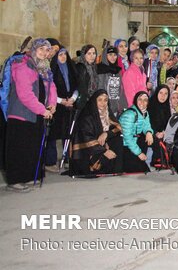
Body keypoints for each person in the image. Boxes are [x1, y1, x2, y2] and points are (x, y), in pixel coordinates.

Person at [5, 39, 57, 192]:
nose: (44, 53)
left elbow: (51, 87)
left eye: (47, 50)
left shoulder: (45, 68)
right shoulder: (23, 65)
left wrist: (52, 104)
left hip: (36, 114)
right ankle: (15, 180)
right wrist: (42, 110)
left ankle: (27, 177)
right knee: (19, 148)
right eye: (41, 49)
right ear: (34, 49)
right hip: (21, 114)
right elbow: (24, 93)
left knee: (31, 147)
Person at [69, 90, 123, 176]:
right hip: (87, 152)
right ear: (94, 101)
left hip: (100, 145)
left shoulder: (107, 113)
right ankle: (100, 166)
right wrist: (104, 151)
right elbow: (86, 139)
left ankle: (116, 169)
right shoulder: (87, 116)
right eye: (100, 100)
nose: (103, 103)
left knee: (118, 139)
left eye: (105, 100)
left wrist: (106, 134)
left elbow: (118, 128)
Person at [48, 47, 78, 172]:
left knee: (69, 133)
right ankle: (50, 161)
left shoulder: (71, 69)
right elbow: (50, 88)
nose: (63, 57)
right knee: (53, 135)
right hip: (57, 105)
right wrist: (61, 101)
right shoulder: (53, 70)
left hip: (70, 104)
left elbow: (76, 85)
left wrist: (73, 98)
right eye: (60, 55)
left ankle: (67, 158)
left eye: (65, 54)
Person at [119, 91, 153, 173]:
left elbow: (147, 126)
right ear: (135, 100)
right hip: (124, 145)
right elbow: (127, 137)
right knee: (139, 170)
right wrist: (139, 153)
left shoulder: (145, 112)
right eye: (140, 99)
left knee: (143, 169)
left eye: (145, 100)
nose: (142, 102)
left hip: (134, 143)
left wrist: (149, 132)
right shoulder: (130, 114)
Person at [96, 46, 126, 117]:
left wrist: (122, 104)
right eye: (110, 54)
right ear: (105, 56)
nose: (113, 57)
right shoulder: (100, 69)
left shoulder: (118, 70)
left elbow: (121, 88)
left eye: (115, 55)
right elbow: (100, 88)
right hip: (103, 106)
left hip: (115, 106)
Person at [147, 85, 171, 169]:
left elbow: (168, 123)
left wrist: (164, 132)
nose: (163, 96)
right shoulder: (150, 105)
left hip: (163, 132)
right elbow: (147, 123)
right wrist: (156, 132)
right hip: (149, 131)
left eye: (166, 94)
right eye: (161, 93)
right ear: (157, 93)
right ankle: (157, 160)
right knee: (158, 140)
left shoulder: (167, 106)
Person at [75, 44, 98, 110]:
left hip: (91, 101)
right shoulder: (80, 67)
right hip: (83, 103)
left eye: (94, 53)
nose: (92, 56)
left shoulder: (94, 67)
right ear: (83, 55)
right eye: (89, 53)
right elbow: (82, 88)